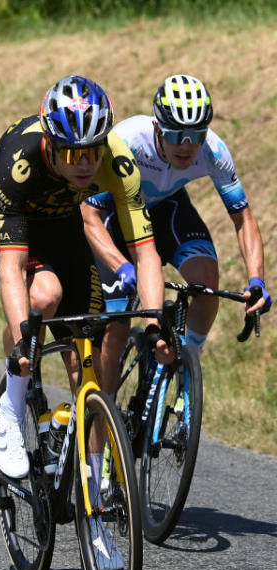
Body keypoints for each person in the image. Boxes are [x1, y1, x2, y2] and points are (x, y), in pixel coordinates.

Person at [0, 75, 170, 570]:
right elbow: (13, 267)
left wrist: (157, 324)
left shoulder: (117, 163)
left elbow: (146, 254)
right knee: (46, 293)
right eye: (72, 153)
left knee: (95, 364)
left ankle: (93, 514)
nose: (84, 164)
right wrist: (20, 347)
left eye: (91, 152)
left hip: (62, 228)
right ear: (51, 145)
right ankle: (12, 409)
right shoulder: (21, 157)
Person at [82, 73, 270, 392]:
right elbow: (90, 213)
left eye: (196, 135)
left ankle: (185, 367)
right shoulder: (127, 142)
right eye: (177, 134)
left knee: (207, 281)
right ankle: (105, 414)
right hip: (118, 216)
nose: (187, 145)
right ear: (157, 128)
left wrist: (257, 279)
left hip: (168, 209)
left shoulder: (214, 151)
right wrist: (121, 266)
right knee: (116, 326)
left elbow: (243, 218)